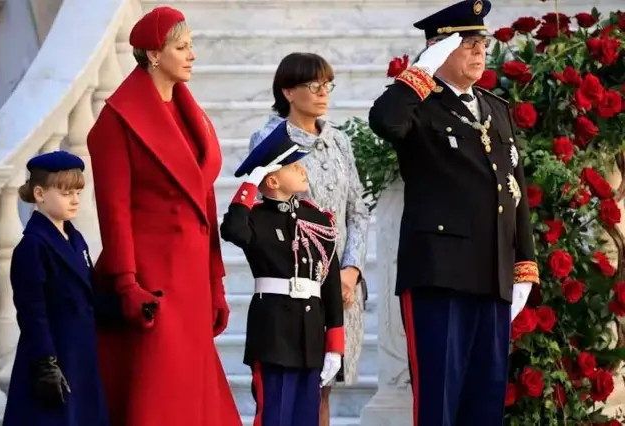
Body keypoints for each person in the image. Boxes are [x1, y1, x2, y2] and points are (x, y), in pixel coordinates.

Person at [368, 1, 539, 425]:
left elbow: (513, 187)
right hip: (440, 274)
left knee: (485, 399)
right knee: (439, 399)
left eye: (482, 42)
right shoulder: (417, 104)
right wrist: (421, 72)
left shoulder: (495, 108)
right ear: (439, 50)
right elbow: (384, 122)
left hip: (493, 272)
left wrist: (525, 263)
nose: (480, 51)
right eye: (467, 43)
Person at [86, 6, 240, 426]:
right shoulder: (115, 122)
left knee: (195, 397)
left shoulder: (194, 117)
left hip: (191, 279)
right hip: (152, 281)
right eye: (182, 47)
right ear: (153, 54)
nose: (191, 55)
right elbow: (113, 212)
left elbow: (204, 207)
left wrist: (217, 283)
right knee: (160, 396)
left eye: (191, 46)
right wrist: (126, 284)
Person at [249, 52, 369, 426]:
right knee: (292, 390)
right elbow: (262, 209)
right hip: (295, 289)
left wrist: (350, 271)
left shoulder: (339, 140)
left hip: (342, 287)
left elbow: (358, 211)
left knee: (324, 386)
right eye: (313, 85)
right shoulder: (269, 138)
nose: (323, 93)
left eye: (327, 85)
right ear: (288, 91)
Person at [221, 121, 345, 426]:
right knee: (274, 415)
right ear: (272, 181)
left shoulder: (316, 217)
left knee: (307, 417)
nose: (302, 171)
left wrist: (335, 345)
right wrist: (251, 184)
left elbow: (329, 281)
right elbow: (233, 230)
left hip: (311, 333)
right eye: (293, 166)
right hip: (273, 334)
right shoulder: (254, 219)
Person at [3, 151, 108, 426]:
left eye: (77, 192)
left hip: (81, 355)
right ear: (39, 193)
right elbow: (32, 312)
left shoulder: (76, 240)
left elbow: (89, 294)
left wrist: (127, 305)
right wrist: (45, 364)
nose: (75, 200)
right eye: (65, 192)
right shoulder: (32, 246)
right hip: (53, 360)